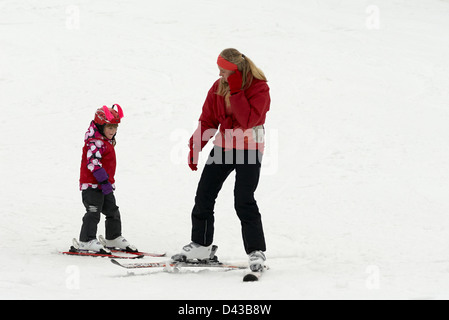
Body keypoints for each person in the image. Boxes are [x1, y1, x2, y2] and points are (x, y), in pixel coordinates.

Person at [172, 48, 271, 272]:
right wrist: (195, 145)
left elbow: (247, 120)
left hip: (249, 148)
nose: (220, 75)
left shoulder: (259, 88)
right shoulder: (217, 88)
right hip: (224, 146)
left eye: (224, 71)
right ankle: (201, 245)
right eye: (219, 70)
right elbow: (208, 119)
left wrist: (236, 90)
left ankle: (256, 251)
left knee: (243, 199)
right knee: (204, 194)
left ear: (237, 71)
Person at [78, 104, 137, 253]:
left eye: (115, 127)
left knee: (113, 211)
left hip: (104, 185)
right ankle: (86, 240)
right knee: (93, 212)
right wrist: (103, 181)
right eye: (109, 127)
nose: (113, 131)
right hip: (92, 186)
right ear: (100, 126)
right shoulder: (95, 143)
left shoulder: (105, 142)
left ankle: (113, 237)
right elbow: (93, 164)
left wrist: (106, 183)